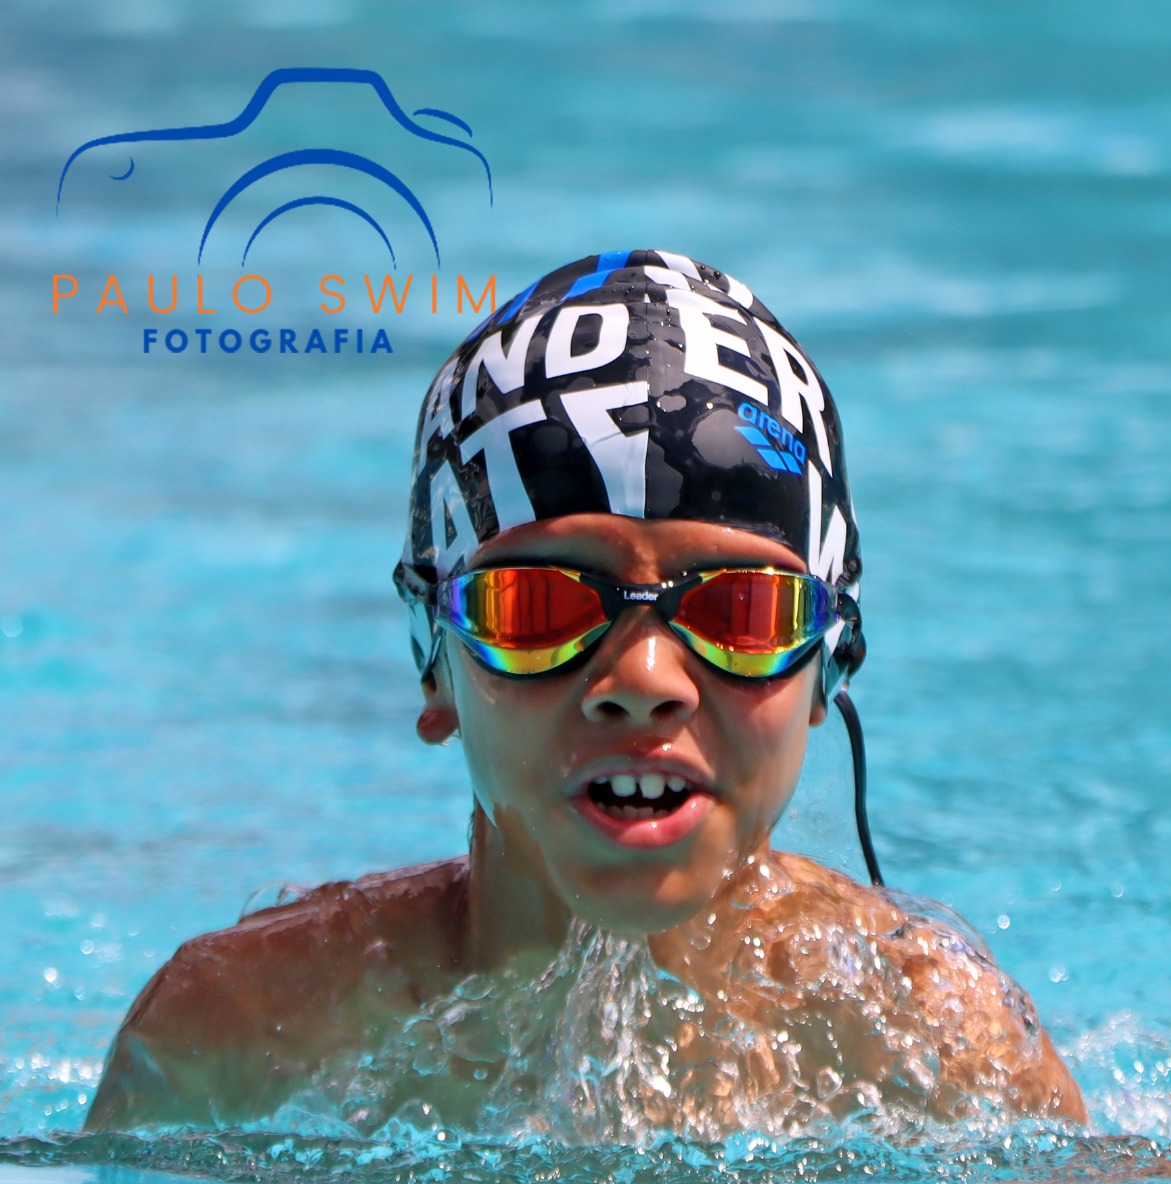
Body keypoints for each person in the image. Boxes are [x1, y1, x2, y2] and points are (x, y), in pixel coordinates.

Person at [86, 249, 1085, 1135]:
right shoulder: (236, 1034)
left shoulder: (943, 1048)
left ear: (827, 662)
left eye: (739, 611)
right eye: (538, 606)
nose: (641, 683)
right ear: (433, 659)